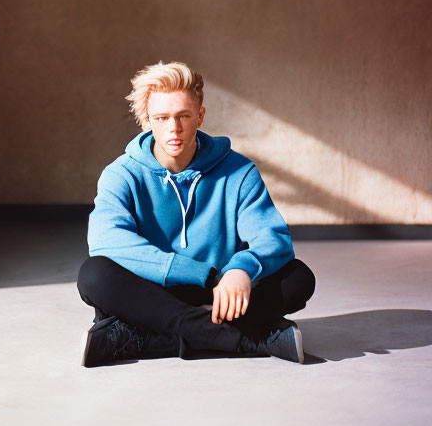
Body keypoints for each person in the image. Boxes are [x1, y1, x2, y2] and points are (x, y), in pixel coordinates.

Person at [77, 61, 316, 367]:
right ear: (147, 119)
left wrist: (240, 270)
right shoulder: (121, 174)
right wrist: (206, 276)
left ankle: (137, 338)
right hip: (155, 293)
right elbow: (106, 241)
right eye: (162, 118)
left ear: (200, 116)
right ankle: (245, 339)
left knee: (298, 278)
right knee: (94, 274)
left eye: (183, 116)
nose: (173, 129)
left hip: (222, 294)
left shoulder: (239, 172)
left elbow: (274, 238)